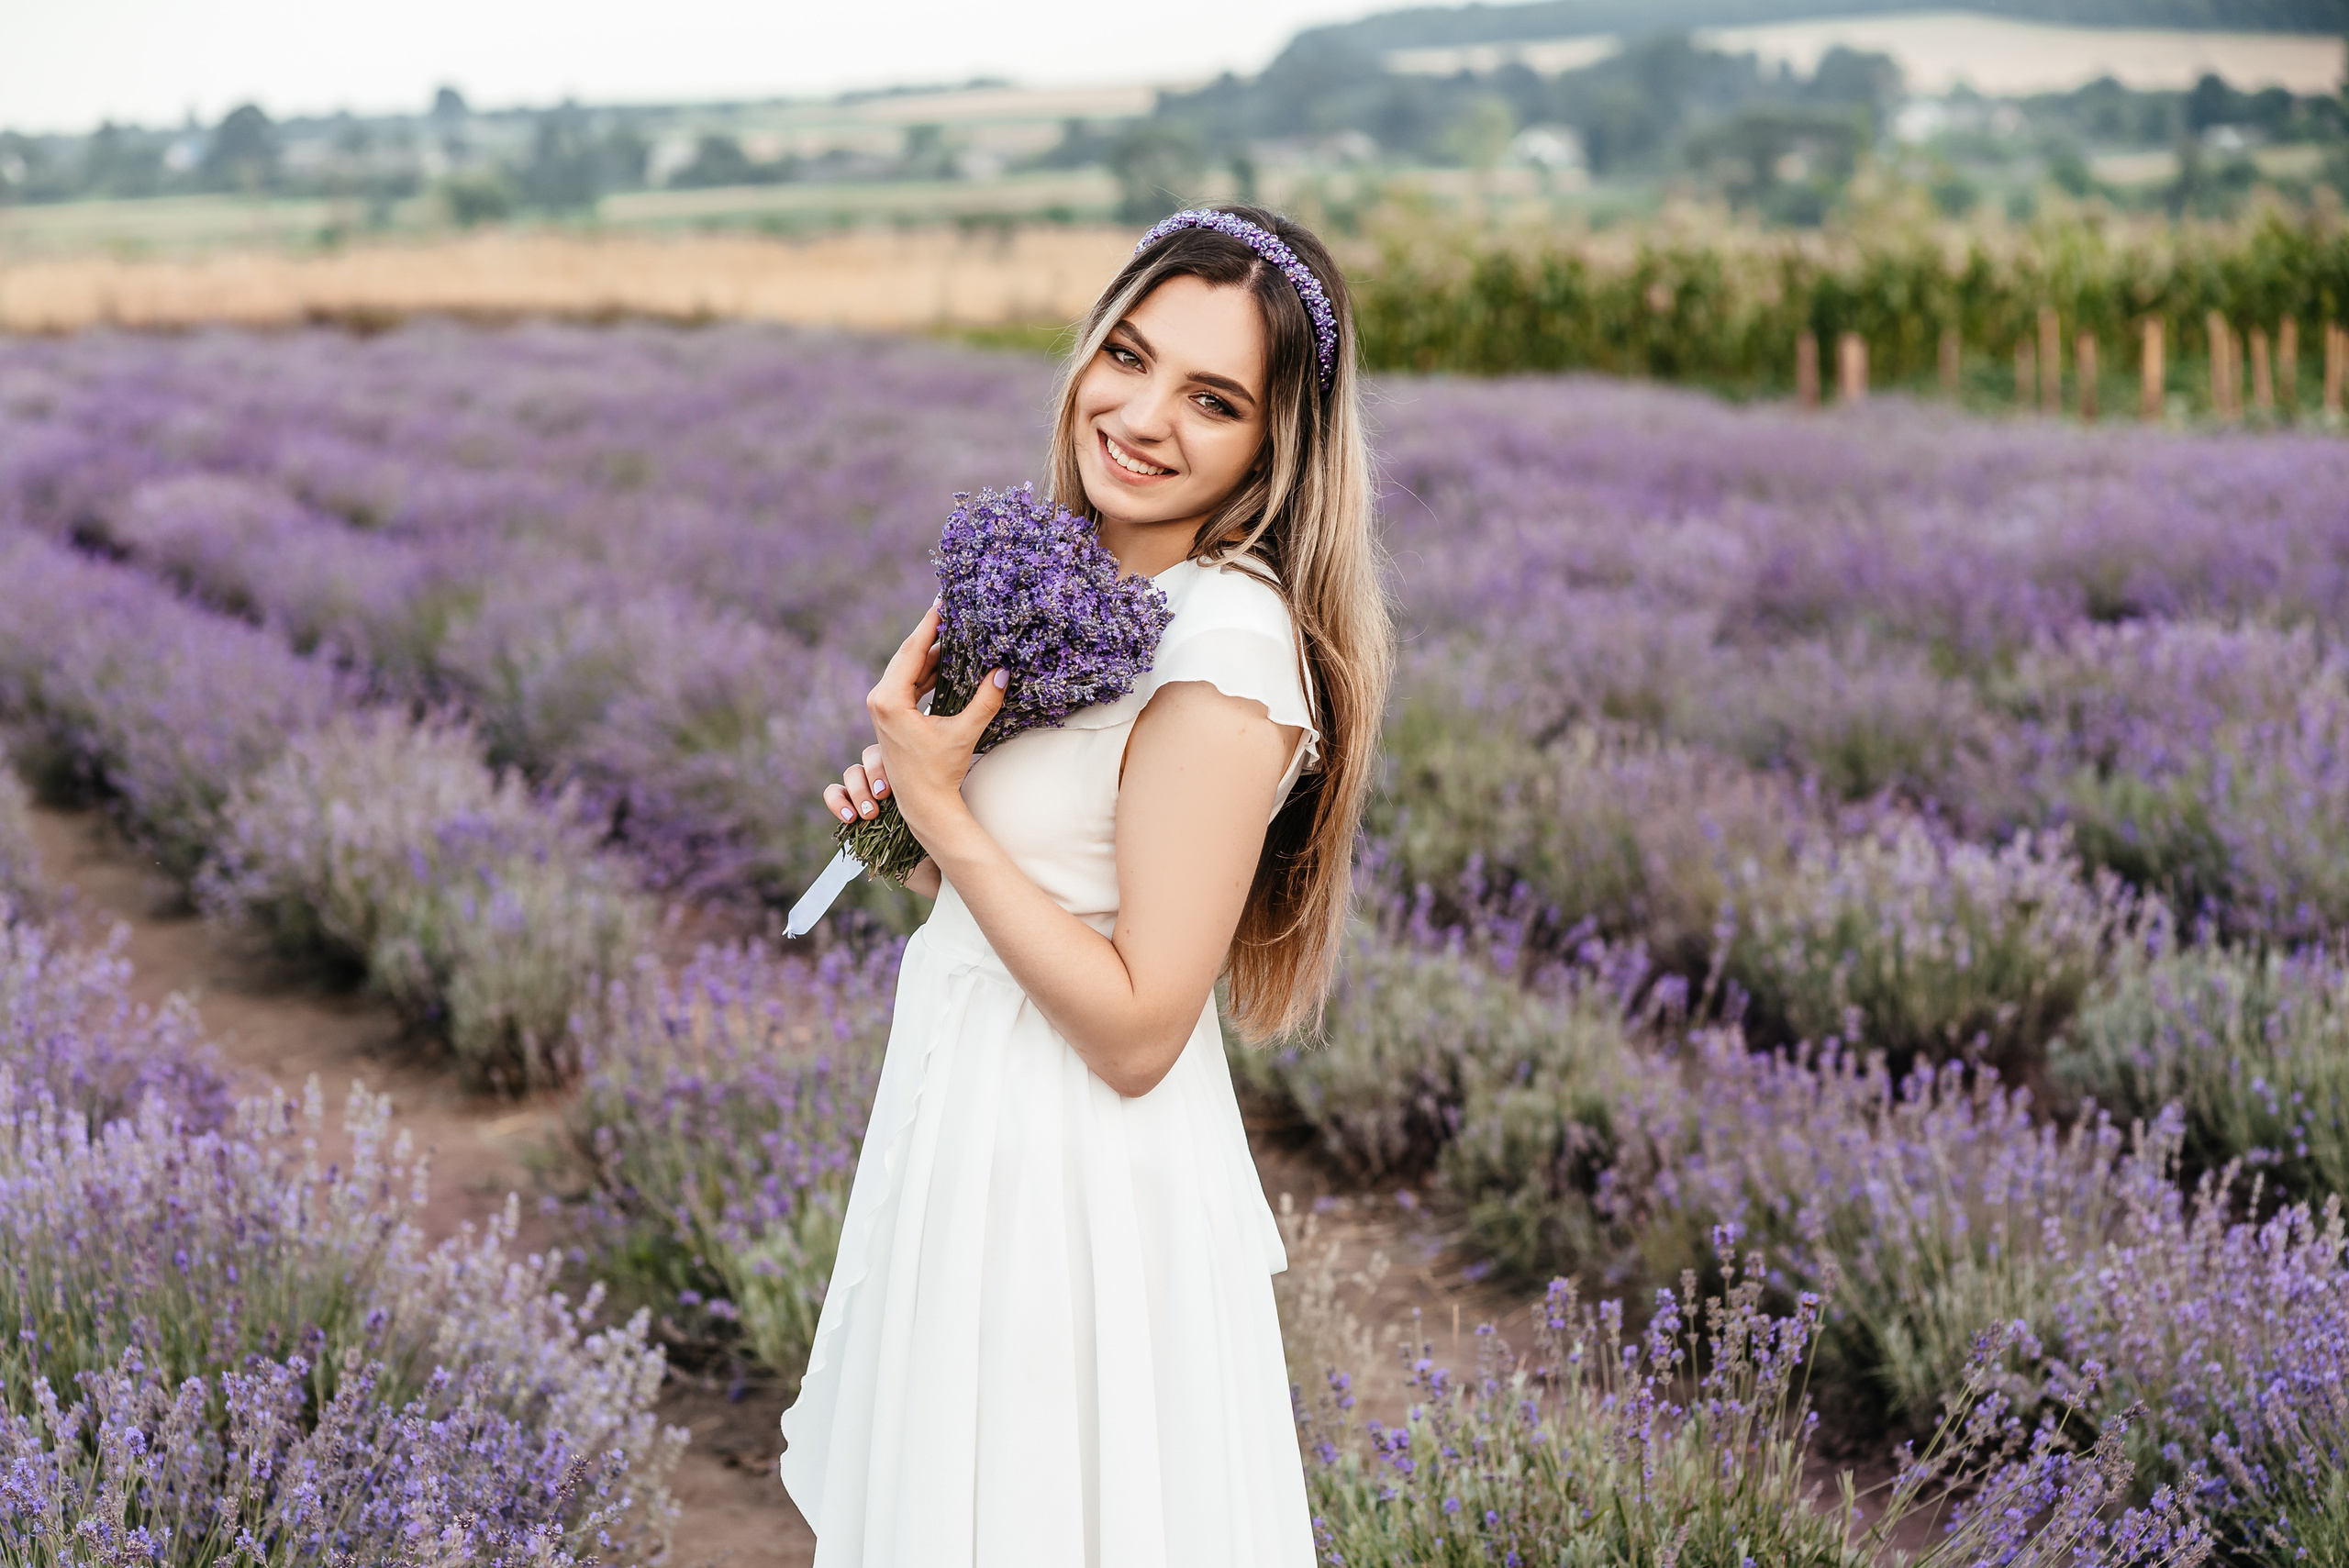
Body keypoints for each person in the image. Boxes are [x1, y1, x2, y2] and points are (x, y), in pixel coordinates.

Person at [778, 206, 1392, 1567]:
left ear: (1275, 446)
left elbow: (1138, 1028)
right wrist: (916, 829)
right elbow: (1044, 890)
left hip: (1074, 1190)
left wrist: (947, 808)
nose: (1146, 416)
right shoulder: (1081, 588)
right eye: (1129, 355)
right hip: (974, 1127)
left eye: (1214, 400)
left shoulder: (1224, 646)